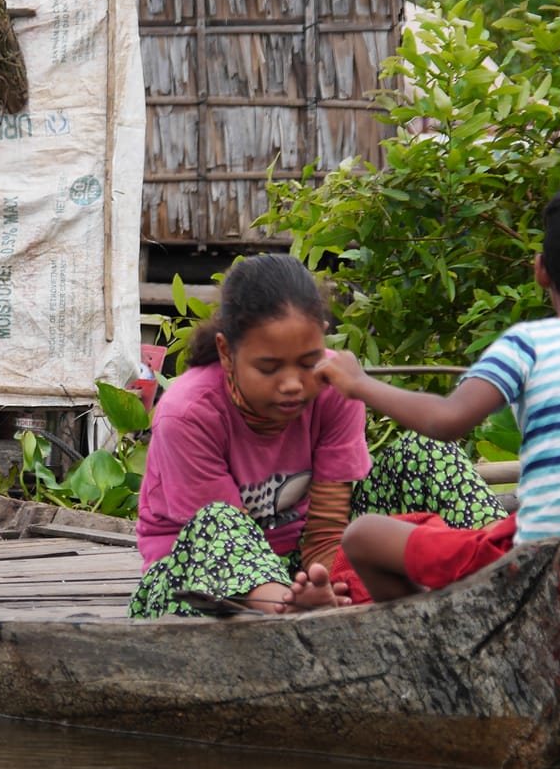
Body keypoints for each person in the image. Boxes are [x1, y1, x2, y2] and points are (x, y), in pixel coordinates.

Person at [318, 172, 560, 602]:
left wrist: (359, 384)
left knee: (363, 536)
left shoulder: (530, 344)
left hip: (540, 564)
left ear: (541, 270)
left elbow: (447, 421)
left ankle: (425, 637)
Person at [128, 254, 506, 618]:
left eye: (308, 363)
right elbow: (224, 542)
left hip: (308, 564)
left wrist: (330, 581)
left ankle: (506, 559)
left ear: (322, 338)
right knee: (218, 519)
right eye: (269, 368)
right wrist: (294, 594)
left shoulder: (337, 388)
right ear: (227, 352)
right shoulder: (189, 412)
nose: (293, 384)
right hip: (203, 581)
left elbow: (327, 530)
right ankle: (291, 607)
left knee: (426, 452)